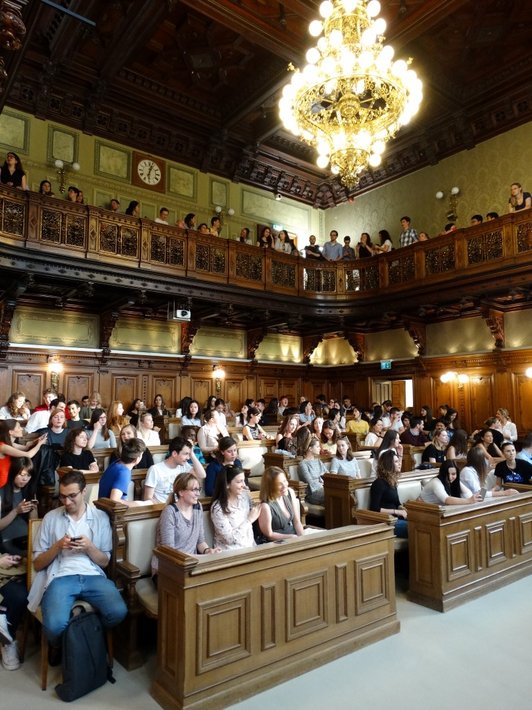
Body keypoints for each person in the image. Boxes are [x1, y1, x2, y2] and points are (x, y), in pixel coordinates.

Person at [28, 470, 127, 660]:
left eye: (72, 496)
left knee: (118, 612)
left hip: (92, 575)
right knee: (54, 625)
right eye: (63, 497)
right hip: (61, 576)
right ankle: (63, 645)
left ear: (84, 492)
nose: (66, 502)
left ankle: (82, 636)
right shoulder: (51, 518)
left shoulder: (100, 517)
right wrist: (58, 546)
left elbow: (104, 561)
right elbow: (38, 564)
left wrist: (89, 547)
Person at [151, 472, 221, 578]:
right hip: (167, 569)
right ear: (181, 492)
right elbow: (169, 551)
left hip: (190, 565)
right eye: (194, 490)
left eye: (199, 489)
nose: (198, 493)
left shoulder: (198, 507)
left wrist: (208, 551)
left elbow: (200, 541)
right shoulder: (170, 512)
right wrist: (196, 558)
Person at [143, 436, 205, 503]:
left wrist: (192, 454)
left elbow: (202, 475)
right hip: (162, 508)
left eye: (189, 454)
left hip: (180, 507)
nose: (188, 458)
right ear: (174, 453)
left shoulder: (184, 466)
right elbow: (147, 498)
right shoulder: (155, 469)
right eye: (186, 454)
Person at [210, 465, 259, 550]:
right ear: (227, 484)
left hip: (250, 548)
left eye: (244, 481)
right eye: (239, 481)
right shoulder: (218, 508)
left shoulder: (245, 497)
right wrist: (249, 520)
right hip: (230, 553)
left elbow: (255, 512)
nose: (244, 485)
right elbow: (230, 539)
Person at [0, 457, 38, 555]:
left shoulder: (29, 492)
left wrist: (33, 509)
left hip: (26, 537)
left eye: (28, 475)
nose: (25, 479)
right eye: (21, 475)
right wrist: (16, 511)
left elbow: (33, 524)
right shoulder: (2, 492)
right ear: (13, 473)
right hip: (7, 539)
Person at [258, 466, 304, 541]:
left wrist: (303, 539)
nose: (284, 486)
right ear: (271, 487)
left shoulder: (290, 492)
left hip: (294, 537)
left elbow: (297, 522)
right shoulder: (265, 506)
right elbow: (269, 535)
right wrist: (291, 538)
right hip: (277, 543)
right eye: (279, 484)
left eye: (285, 481)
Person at [369, 450, 407, 537]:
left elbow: (397, 503)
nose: (400, 463)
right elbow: (374, 508)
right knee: (416, 528)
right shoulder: (378, 483)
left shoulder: (392, 481)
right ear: (389, 464)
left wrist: (403, 509)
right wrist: (397, 512)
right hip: (386, 521)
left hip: (396, 518)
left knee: (423, 524)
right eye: (396, 462)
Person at [97, 438, 147, 505]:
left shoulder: (116, 463)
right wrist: (138, 504)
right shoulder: (124, 472)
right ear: (137, 459)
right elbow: (114, 500)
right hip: (109, 513)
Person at [0, 551, 27, 670]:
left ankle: (5, 630)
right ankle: (7, 642)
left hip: (18, 571)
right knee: (18, 597)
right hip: (4, 576)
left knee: (22, 595)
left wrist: (17, 556)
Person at [297, 436, 327, 504]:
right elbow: (310, 482)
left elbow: (327, 475)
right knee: (334, 494)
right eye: (317, 446)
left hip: (324, 488)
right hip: (312, 493)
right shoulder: (303, 464)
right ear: (310, 448)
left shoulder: (318, 461)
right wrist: (322, 485)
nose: (320, 448)